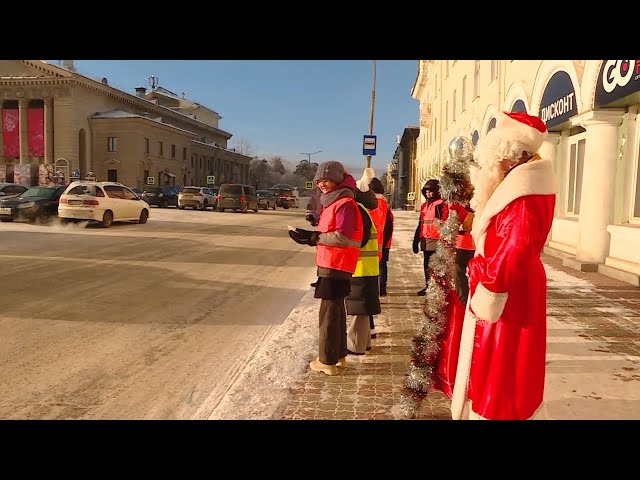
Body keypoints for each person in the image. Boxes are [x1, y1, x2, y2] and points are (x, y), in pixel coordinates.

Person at [450, 111, 556, 420]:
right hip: (510, 282)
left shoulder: (523, 194)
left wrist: (487, 277)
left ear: (508, 155)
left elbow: (516, 248)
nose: (490, 167)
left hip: (507, 289)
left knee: (502, 364)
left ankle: (497, 412)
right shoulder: (521, 186)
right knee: (504, 364)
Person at [288, 161, 363, 376]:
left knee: (328, 313)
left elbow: (342, 236)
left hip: (336, 265)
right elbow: (327, 232)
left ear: (338, 180)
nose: (322, 184)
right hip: (332, 263)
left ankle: (327, 361)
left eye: (327, 180)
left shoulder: (344, 204)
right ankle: (338, 357)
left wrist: (313, 238)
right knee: (336, 310)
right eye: (319, 181)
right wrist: (308, 235)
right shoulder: (333, 202)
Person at [345, 168, 381, 355]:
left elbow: (360, 239)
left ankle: (355, 345)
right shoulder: (364, 210)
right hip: (367, 267)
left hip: (359, 267)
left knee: (359, 308)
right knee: (364, 307)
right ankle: (364, 342)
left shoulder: (358, 211)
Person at [412, 179, 448, 296]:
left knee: (434, 265)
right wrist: (416, 240)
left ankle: (435, 288)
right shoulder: (424, 206)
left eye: (431, 191)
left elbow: (443, 222)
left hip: (435, 239)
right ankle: (428, 286)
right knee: (426, 265)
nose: (428, 193)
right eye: (426, 191)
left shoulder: (440, 204)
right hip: (425, 239)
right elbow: (421, 223)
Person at [369, 177, 394, 297]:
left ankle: (378, 288)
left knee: (377, 265)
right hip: (384, 241)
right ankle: (382, 288)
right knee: (382, 264)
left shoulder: (374, 204)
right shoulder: (385, 205)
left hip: (375, 240)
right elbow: (389, 224)